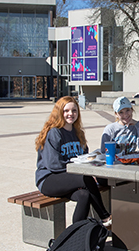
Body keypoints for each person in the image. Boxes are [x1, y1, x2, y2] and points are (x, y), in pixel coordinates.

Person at [35, 96, 112, 227]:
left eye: (74, 110)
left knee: (84, 195)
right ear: (59, 112)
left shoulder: (78, 133)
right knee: (85, 178)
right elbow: (53, 164)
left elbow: (83, 157)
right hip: (49, 179)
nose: (70, 114)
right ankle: (105, 216)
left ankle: (76, 233)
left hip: (69, 177)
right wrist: (77, 167)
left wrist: (94, 158)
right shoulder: (54, 132)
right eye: (66, 111)